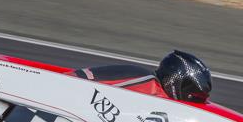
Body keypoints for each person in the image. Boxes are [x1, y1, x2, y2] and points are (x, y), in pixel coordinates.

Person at [72, 50, 213, 102]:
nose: (195, 102)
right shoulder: (147, 83)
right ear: (176, 81)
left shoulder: (149, 83)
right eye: (194, 97)